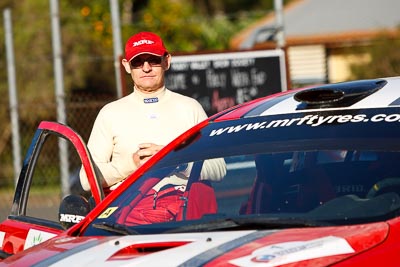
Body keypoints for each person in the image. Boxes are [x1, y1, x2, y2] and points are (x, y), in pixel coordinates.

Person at [80, 31, 225, 191]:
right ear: (127, 66)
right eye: (138, 62)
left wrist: (176, 163)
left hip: (184, 211)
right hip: (127, 213)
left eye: (154, 60)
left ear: (166, 61)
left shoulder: (190, 107)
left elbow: (219, 168)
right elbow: (87, 180)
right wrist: (132, 164)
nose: (146, 68)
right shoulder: (110, 113)